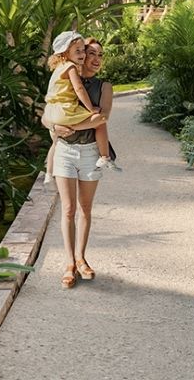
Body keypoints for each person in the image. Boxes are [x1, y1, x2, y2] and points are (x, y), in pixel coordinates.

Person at [41, 31, 111, 287]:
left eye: (97, 55)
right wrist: (54, 127)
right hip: (65, 152)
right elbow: (47, 114)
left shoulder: (104, 87)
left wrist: (67, 126)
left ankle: (82, 258)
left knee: (85, 209)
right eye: (87, 52)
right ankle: (69, 263)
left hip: (90, 153)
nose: (92, 58)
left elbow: (102, 118)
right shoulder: (68, 76)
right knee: (68, 209)